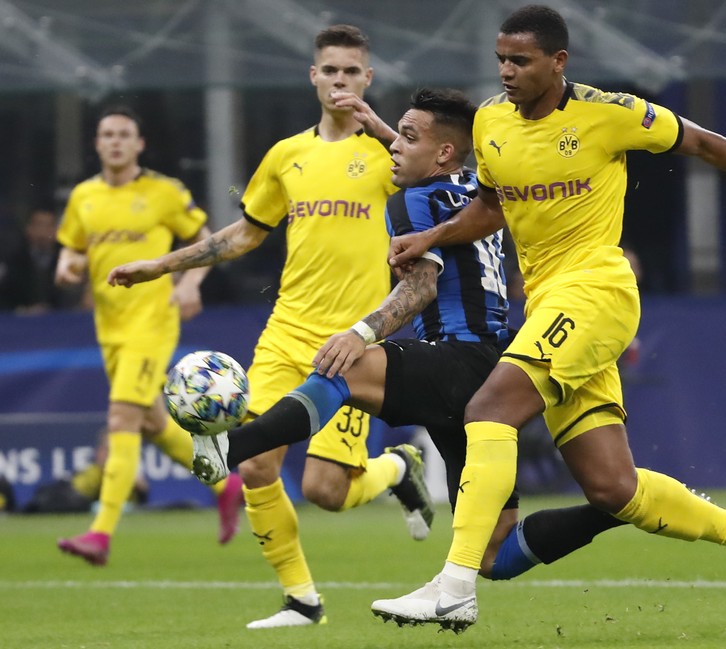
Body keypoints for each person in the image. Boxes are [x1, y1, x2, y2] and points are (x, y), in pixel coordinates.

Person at [376, 4, 726, 632]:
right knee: (612, 488)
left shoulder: (609, 114)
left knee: (489, 409)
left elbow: (707, 143)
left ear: (558, 62)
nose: (507, 71)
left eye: (521, 60)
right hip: (547, 305)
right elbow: (493, 207)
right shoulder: (490, 122)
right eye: (501, 59)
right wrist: (432, 237)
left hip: (597, 292)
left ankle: (455, 586)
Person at [180, 86, 627, 583]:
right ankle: (617, 510)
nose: (393, 146)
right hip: (496, 369)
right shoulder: (489, 192)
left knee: (343, 367)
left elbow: (419, 289)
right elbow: (441, 161)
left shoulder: (412, 200)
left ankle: (229, 450)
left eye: (406, 137)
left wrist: (361, 332)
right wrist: (393, 132)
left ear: (441, 152)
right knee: (492, 557)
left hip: (457, 361)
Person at [107, 25, 433, 629]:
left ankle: (396, 470)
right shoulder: (287, 156)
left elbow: (440, 186)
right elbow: (246, 233)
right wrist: (161, 264)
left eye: (351, 72)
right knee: (254, 462)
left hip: (354, 342)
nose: (340, 81)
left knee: (327, 492)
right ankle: (301, 600)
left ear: (369, 79)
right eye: (330, 71)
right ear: (313, 77)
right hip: (286, 331)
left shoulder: (392, 156)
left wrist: (383, 127)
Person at [54, 105, 244, 566]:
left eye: (124, 134)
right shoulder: (84, 196)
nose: (115, 141)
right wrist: (68, 266)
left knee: (121, 417)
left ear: (138, 144)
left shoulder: (163, 192)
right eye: (107, 134)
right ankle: (228, 483)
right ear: (97, 144)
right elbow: (70, 252)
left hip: (151, 324)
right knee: (154, 425)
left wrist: (190, 284)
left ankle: (100, 533)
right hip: (110, 329)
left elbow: (207, 239)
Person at [0, 208, 84, 313]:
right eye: (38, 225)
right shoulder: (13, 259)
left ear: (57, 230)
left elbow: (73, 294)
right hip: (21, 321)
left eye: (48, 226)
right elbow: (5, 295)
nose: (43, 232)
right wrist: (21, 310)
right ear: (28, 229)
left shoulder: (67, 259)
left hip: (61, 320)